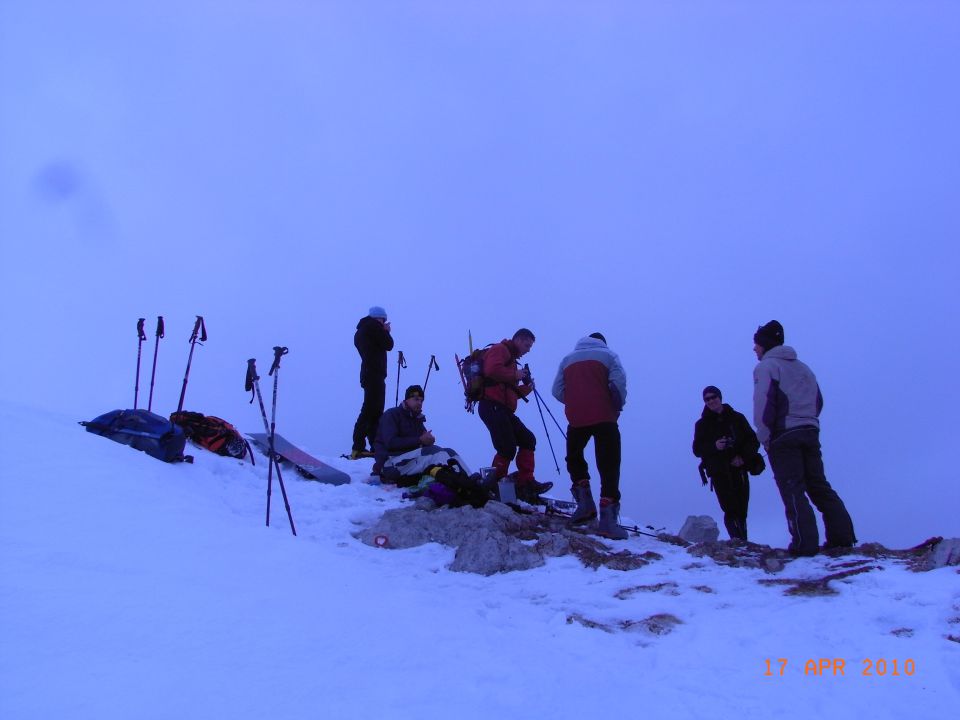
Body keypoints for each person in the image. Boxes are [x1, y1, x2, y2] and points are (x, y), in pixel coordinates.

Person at [752, 320, 856, 556]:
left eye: (756, 344)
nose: (754, 349)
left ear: (765, 344)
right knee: (818, 484)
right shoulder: (804, 368)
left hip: (784, 436)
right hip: (809, 430)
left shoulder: (766, 367)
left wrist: (765, 437)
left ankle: (804, 544)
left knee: (792, 488)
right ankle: (842, 538)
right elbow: (818, 400)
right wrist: (808, 420)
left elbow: (763, 405)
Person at [551, 332, 628, 539]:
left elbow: (556, 390)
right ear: (603, 342)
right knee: (608, 464)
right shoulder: (609, 356)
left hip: (576, 419)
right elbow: (618, 384)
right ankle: (608, 520)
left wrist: (576, 400)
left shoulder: (567, 360)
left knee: (574, 457)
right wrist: (616, 406)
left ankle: (585, 505)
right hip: (605, 417)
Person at [477, 328, 552, 502]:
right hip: (491, 406)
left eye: (530, 346)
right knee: (507, 448)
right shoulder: (500, 349)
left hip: (502, 408)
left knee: (527, 439)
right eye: (527, 345)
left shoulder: (510, 359)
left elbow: (508, 390)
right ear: (518, 339)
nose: (528, 349)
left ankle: (525, 482)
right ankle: (496, 483)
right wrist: (515, 374)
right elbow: (491, 371)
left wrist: (526, 388)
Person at [374, 384, 475, 488]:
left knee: (449, 451)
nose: (419, 403)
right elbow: (390, 442)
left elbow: (422, 443)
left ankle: (470, 480)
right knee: (435, 452)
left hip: (409, 461)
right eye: (416, 399)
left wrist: (428, 440)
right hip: (390, 463)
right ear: (407, 400)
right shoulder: (392, 414)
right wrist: (420, 440)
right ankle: (459, 484)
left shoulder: (417, 419)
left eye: (421, 400)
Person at [692, 385, 759, 542]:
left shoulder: (737, 418)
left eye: (713, 397)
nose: (711, 401)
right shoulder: (701, 424)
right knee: (729, 508)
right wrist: (715, 446)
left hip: (739, 468)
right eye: (707, 399)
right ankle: (737, 540)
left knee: (742, 507)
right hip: (719, 471)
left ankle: (742, 541)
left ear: (720, 397)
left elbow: (753, 440)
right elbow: (697, 449)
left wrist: (743, 457)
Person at [351, 306, 394, 459]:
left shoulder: (362, 330)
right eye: (383, 320)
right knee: (371, 411)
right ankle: (359, 447)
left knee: (373, 411)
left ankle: (373, 446)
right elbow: (389, 344)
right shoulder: (373, 327)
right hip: (374, 374)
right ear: (379, 318)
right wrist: (385, 331)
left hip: (369, 373)